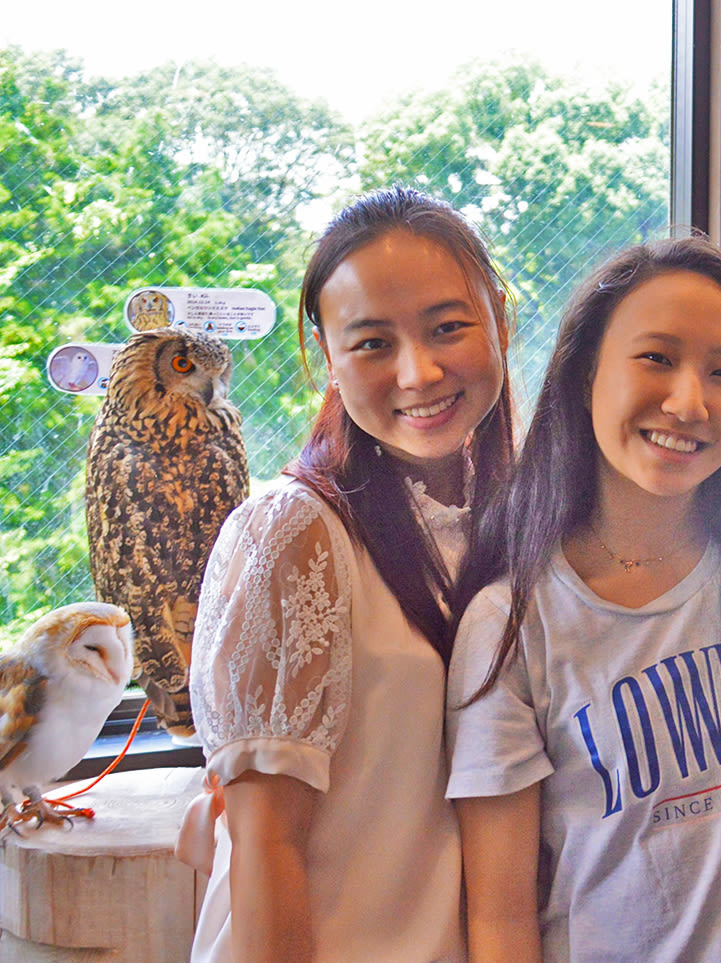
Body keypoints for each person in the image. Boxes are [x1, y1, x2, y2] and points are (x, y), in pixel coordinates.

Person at [445, 236, 721, 962]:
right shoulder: (511, 626)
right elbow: (499, 917)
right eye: (656, 358)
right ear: (586, 371)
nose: (688, 402)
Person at [185, 186, 515, 962]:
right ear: (325, 355)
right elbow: (266, 848)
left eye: (448, 327)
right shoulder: (296, 532)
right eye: (371, 343)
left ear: (499, 317)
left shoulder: (517, 513)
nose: (419, 371)